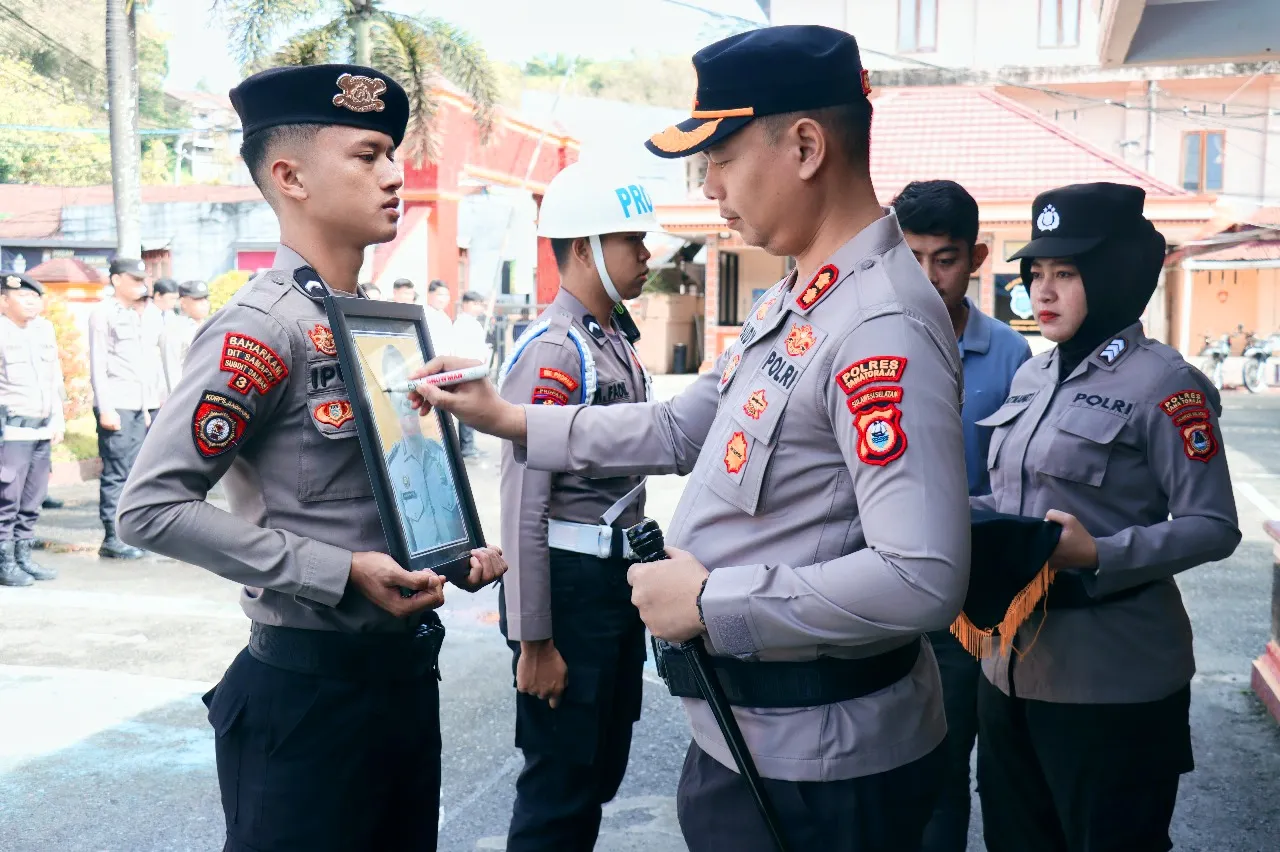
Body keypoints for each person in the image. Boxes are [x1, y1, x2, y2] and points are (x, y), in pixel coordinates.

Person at [415, 25, 970, 852]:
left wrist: (710, 603)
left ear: (806, 146)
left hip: (821, 765)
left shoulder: (878, 324)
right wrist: (508, 418)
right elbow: (680, 426)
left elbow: (920, 577)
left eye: (719, 157)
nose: (708, 187)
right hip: (756, 739)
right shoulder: (800, 301)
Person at [115, 63, 506, 852]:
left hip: (398, 682)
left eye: (393, 153)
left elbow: (371, 493)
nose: (396, 174)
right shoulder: (260, 329)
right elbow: (150, 508)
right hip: (308, 696)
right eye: (368, 156)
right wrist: (339, 573)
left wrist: (446, 553)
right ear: (289, 175)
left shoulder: (378, 325)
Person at [972, 182, 1240, 852]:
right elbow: (1009, 502)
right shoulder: (1032, 377)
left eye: (1066, 273)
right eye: (1036, 274)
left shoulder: (1164, 385)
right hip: (1007, 668)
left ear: (1114, 275)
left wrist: (1100, 555)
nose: (1044, 292)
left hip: (1111, 680)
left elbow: (1214, 525)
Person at [495, 163, 659, 851]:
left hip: (611, 588)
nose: (648, 256)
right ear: (588, 246)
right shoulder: (558, 351)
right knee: (559, 789)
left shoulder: (610, 339)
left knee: (597, 771)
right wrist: (534, 639)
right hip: (568, 593)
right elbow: (522, 502)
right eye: (634, 242)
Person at [891, 179, 1031, 852]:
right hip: (880, 593)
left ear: (976, 258)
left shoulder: (1011, 356)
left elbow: (1022, 486)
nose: (927, 276)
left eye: (943, 259)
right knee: (895, 766)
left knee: (967, 765)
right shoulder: (871, 342)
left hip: (974, 607)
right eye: (911, 256)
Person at [89, 256, 163, 560]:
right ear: (117, 280)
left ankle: (129, 533)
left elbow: (146, 366)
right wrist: (106, 408)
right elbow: (98, 363)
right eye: (134, 280)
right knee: (117, 473)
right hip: (117, 404)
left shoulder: (138, 315)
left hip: (139, 404)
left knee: (135, 472)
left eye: (142, 280)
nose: (140, 285)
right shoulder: (103, 313)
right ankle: (112, 537)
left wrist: (149, 407)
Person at [0, 272, 63, 586]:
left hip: (41, 429)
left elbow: (55, 380)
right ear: (3, 300)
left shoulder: (44, 330)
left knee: (32, 498)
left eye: (36, 297)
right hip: (10, 431)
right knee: (5, 499)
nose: (31, 303)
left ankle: (23, 556)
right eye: (23, 297)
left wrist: (58, 419)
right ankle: (4, 562)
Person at [381, 345, 467, 552]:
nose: (403, 399)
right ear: (390, 399)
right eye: (395, 388)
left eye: (405, 385)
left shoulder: (444, 456)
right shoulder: (390, 469)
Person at [453, 290, 490, 458]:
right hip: (466, 371)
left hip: (474, 370)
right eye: (476, 304)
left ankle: (470, 445)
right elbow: (463, 350)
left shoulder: (474, 323)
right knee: (468, 408)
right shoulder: (462, 324)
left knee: (473, 406)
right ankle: (467, 447)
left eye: (480, 304)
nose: (479, 308)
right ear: (466, 304)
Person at [159, 279, 211, 398]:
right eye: (198, 299)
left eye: (205, 298)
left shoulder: (210, 325)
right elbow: (172, 370)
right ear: (183, 302)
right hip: (186, 396)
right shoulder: (174, 329)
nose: (204, 303)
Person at [424, 279, 455, 357]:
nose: (444, 299)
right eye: (440, 295)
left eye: (447, 295)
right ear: (430, 294)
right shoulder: (423, 315)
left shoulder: (446, 319)